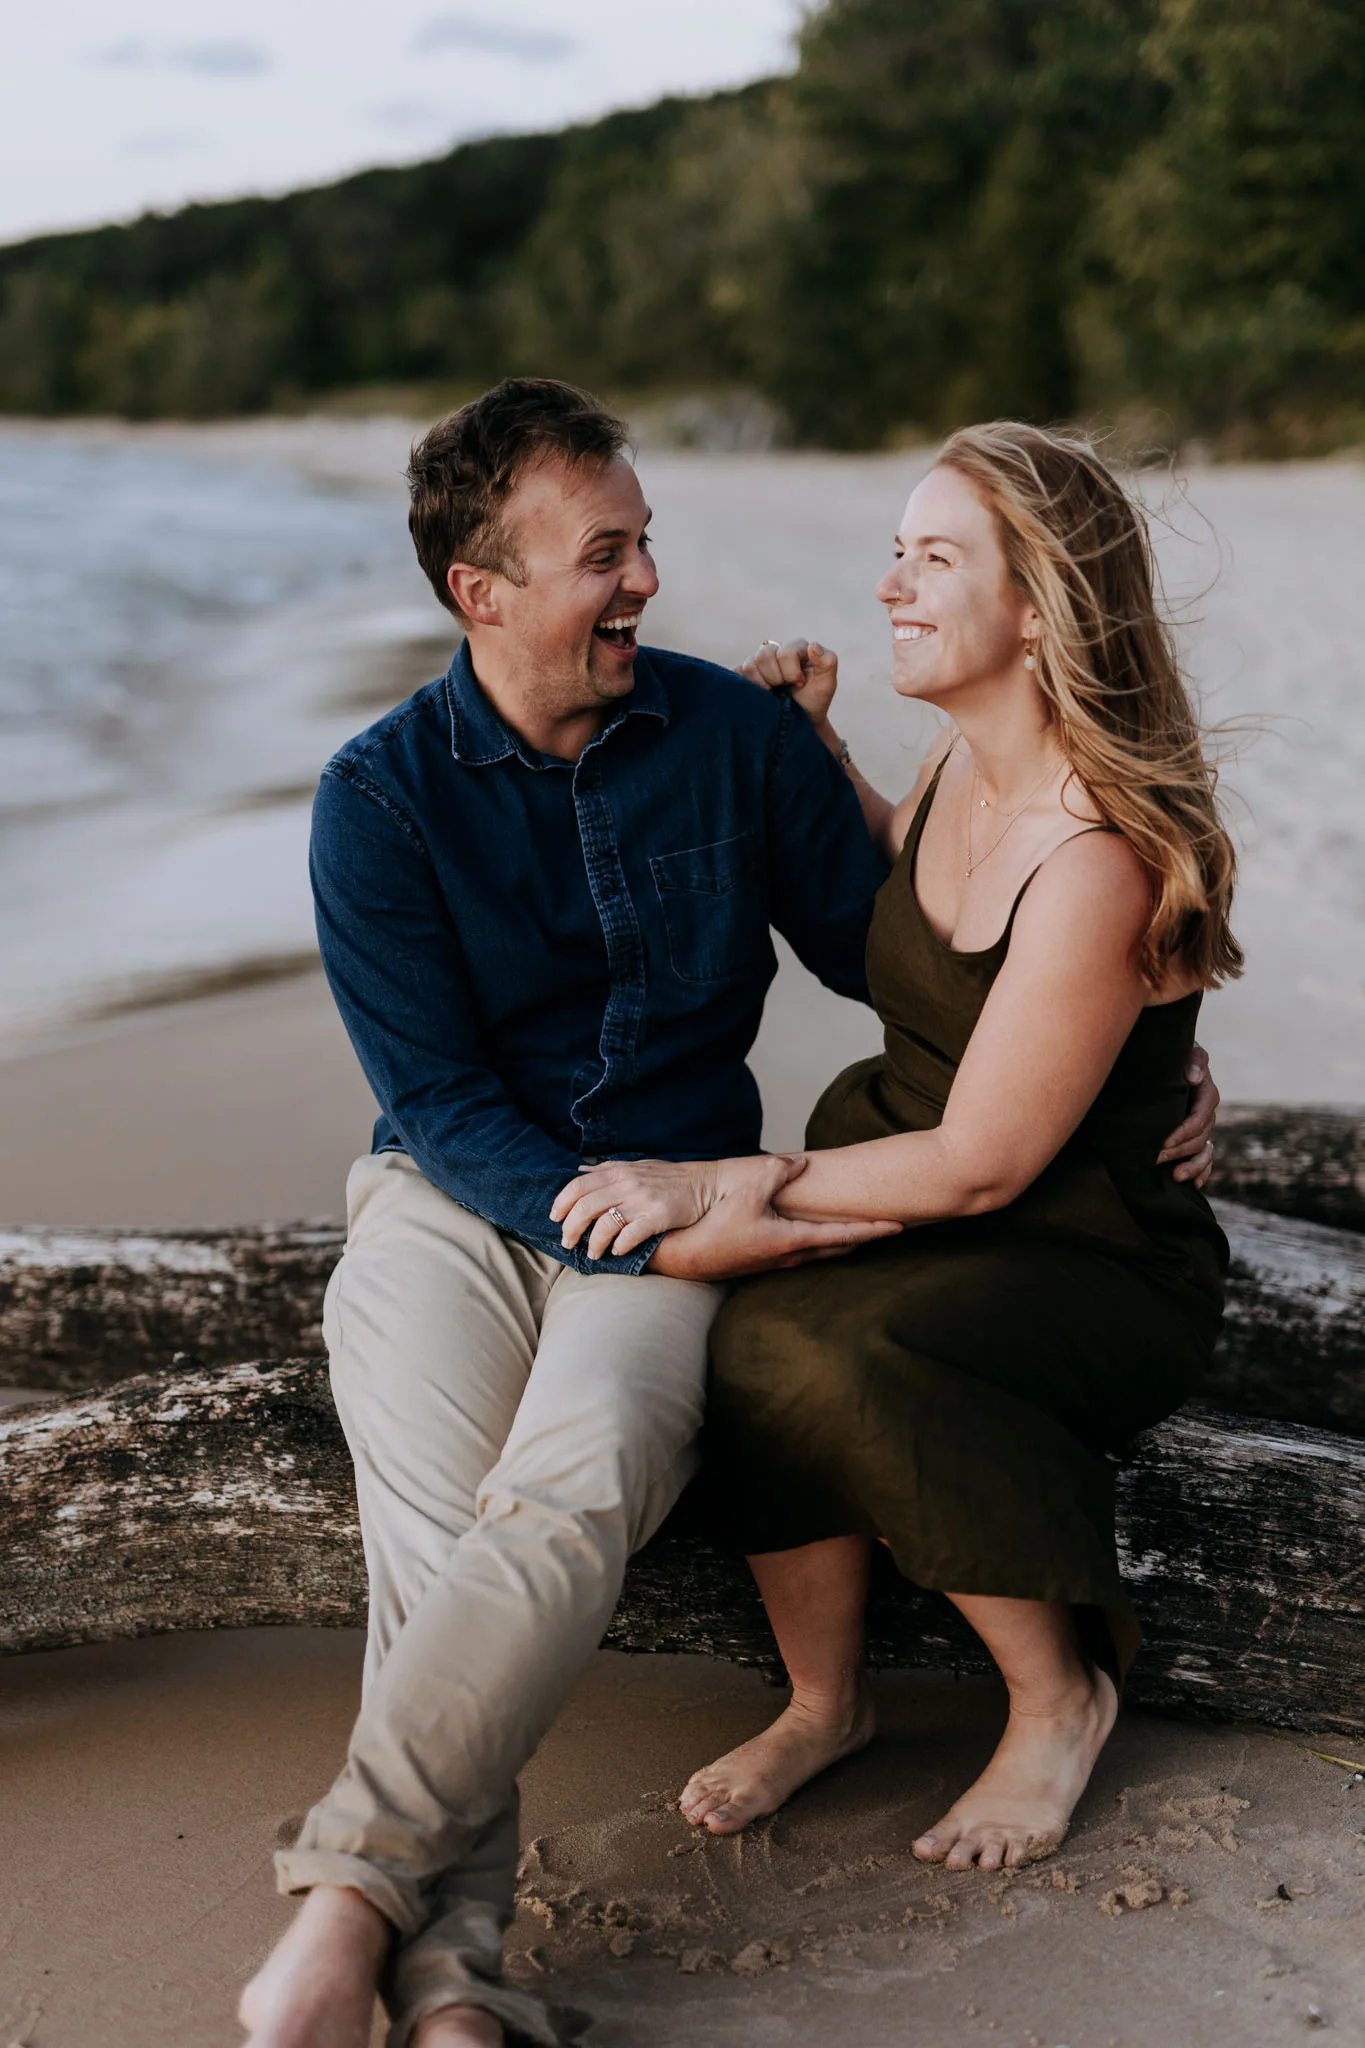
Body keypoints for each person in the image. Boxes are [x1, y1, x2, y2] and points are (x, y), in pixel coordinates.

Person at [240, 387, 1218, 2048]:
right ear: (482, 592)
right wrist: (635, 1218)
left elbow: (904, 953)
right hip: (460, 1201)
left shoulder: (731, 737)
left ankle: (347, 1915)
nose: (645, 584)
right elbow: (448, 1102)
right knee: (427, 1534)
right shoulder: (379, 801)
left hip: (687, 1202)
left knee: (571, 1495)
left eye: (643, 544)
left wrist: (1160, 1055)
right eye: (604, 556)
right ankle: (447, 1977)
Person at [555, 421, 1238, 1878]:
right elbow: (917, 919)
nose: (889, 588)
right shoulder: (956, 760)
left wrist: (725, 1183)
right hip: (928, 1176)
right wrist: (821, 754)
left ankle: (1061, 1695)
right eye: (895, 551)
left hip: (1082, 1242)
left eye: (935, 559)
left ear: (1041, 607)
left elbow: (987, 1160)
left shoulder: (1097, 849)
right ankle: (827, 1704)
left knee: (831, 1351)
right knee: (743, 1322)